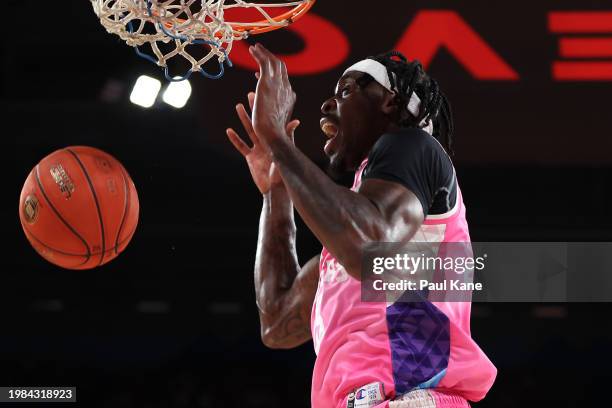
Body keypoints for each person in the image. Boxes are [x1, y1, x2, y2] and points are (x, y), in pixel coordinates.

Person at [226, 43, 496, 408]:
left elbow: (367, 249)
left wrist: (276, 136)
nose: (326, 105)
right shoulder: (348, 240)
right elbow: (276, 323)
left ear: (389, 102)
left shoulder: (416, 147)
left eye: (346, 91)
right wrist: (277, 191)